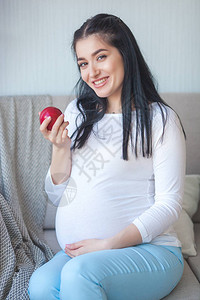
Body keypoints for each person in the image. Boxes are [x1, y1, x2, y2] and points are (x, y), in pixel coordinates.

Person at [28, 13, 186, 300]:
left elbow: (170, 204)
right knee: (39, 285)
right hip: (82, 254)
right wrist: (60, 149)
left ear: (125, 53)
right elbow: (56, 195)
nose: (92, 72)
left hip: (151, 251)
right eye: (83, 63)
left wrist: (110, 244)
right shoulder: (78, 111)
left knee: (79, 276)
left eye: (101, 57)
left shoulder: (160, 119)